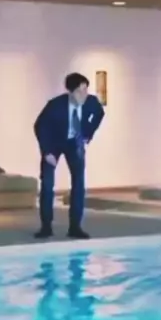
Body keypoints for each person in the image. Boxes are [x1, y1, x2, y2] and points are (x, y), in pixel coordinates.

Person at [33, 73, 105, 239]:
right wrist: (47, 152)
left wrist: (88, 133)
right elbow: (40, 126)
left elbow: (99, 113)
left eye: (86, 90)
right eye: (80, 91)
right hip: (53, 143)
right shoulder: (55, 106)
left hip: (74, 143)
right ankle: (46, 226)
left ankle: (75, 227)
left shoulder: (91, 102)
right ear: (70, 92)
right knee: (47, 184)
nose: (84, 95)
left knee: (79, 183)